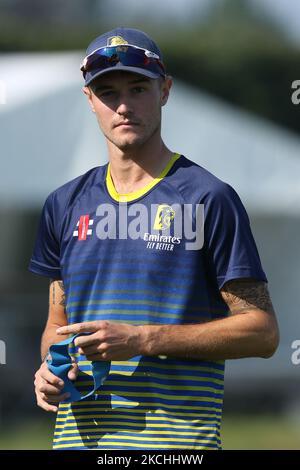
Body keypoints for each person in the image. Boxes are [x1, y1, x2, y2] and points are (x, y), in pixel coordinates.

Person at [30, 27, 279, 450]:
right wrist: (48, 372)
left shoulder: (209, 197)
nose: (123, 106)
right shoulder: (63, 203)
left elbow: (262, 332)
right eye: (107, 92)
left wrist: (142, 339)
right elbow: (58, 326)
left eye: (138, 88)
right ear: (89, 101)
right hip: (78, 442)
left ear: (165, 90)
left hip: (177, 448)